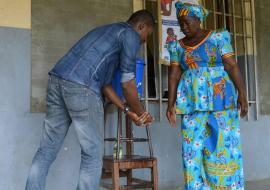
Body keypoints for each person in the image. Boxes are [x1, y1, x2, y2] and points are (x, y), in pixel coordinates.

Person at [25, 10, 154, 190]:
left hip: (57, 81)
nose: (143, 41)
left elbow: (106, 85)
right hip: (82, 88)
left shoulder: (104, 31)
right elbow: (127, 83)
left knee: (46, 150)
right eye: (146, 36)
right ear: (141, 26)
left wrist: (127, 110)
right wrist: (142, 113)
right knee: (92, 156)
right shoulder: (130, 35)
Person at [166, 2, 248, 190]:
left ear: (198, 19)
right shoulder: (176, 46)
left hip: (222, 100)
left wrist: (242, 93)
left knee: (223, 146)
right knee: (192, 149)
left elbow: (232, 66)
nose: (183, 27)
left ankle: (227, 187)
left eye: (187, 22)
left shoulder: (218, 38)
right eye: (180, 23)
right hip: (191, 103)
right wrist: (170, 104)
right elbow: (174, 75)